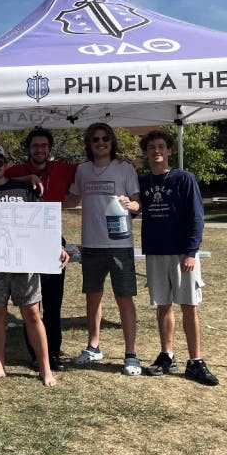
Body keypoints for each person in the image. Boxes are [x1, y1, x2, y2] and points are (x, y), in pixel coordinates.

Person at [0, 144, 66, 387]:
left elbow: (44, 222)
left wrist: (57, 245)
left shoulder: (24, 189)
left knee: (32, 313)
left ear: (6, 165)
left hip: (25, 262)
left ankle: (45, 368)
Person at [138, 130, 219, 386]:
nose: (156, 151)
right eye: (151, 147)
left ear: (169, 150)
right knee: (163, 305)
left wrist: (191, 252)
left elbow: (196, 216)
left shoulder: (184, 178)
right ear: (146, 152)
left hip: (183, 253)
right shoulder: (143, 182)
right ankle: (167, 355)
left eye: (161, 146)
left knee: (189, 305)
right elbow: (134, 206)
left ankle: (196, 360)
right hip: (156, 251)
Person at [65, 123, 143, 376]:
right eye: (95, 139)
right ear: (89, 144)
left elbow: (138, 202)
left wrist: (131, 205)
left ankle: (130, 354)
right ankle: (93, 346)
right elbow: (73, 198)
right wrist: (44, 200)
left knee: (124, 299)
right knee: (92, 297)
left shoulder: (124, 168)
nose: (100, 143)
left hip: (120, 244)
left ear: (112, 142)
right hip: (91, 245)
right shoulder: (83, 170)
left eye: (105, 138)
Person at [5, 128, 78, 372]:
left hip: (54, 241)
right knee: (31, 304)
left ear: (50, 148)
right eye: (35, 146)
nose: (39, 150)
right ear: (28, 148)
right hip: (25, 243)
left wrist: (119, 161)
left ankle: (54, 353)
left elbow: (94, 167)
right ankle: (36, 355)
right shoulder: (15, 172)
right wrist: (27, 179)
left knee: (53, 303)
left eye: (44, 146)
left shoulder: (62, 169)